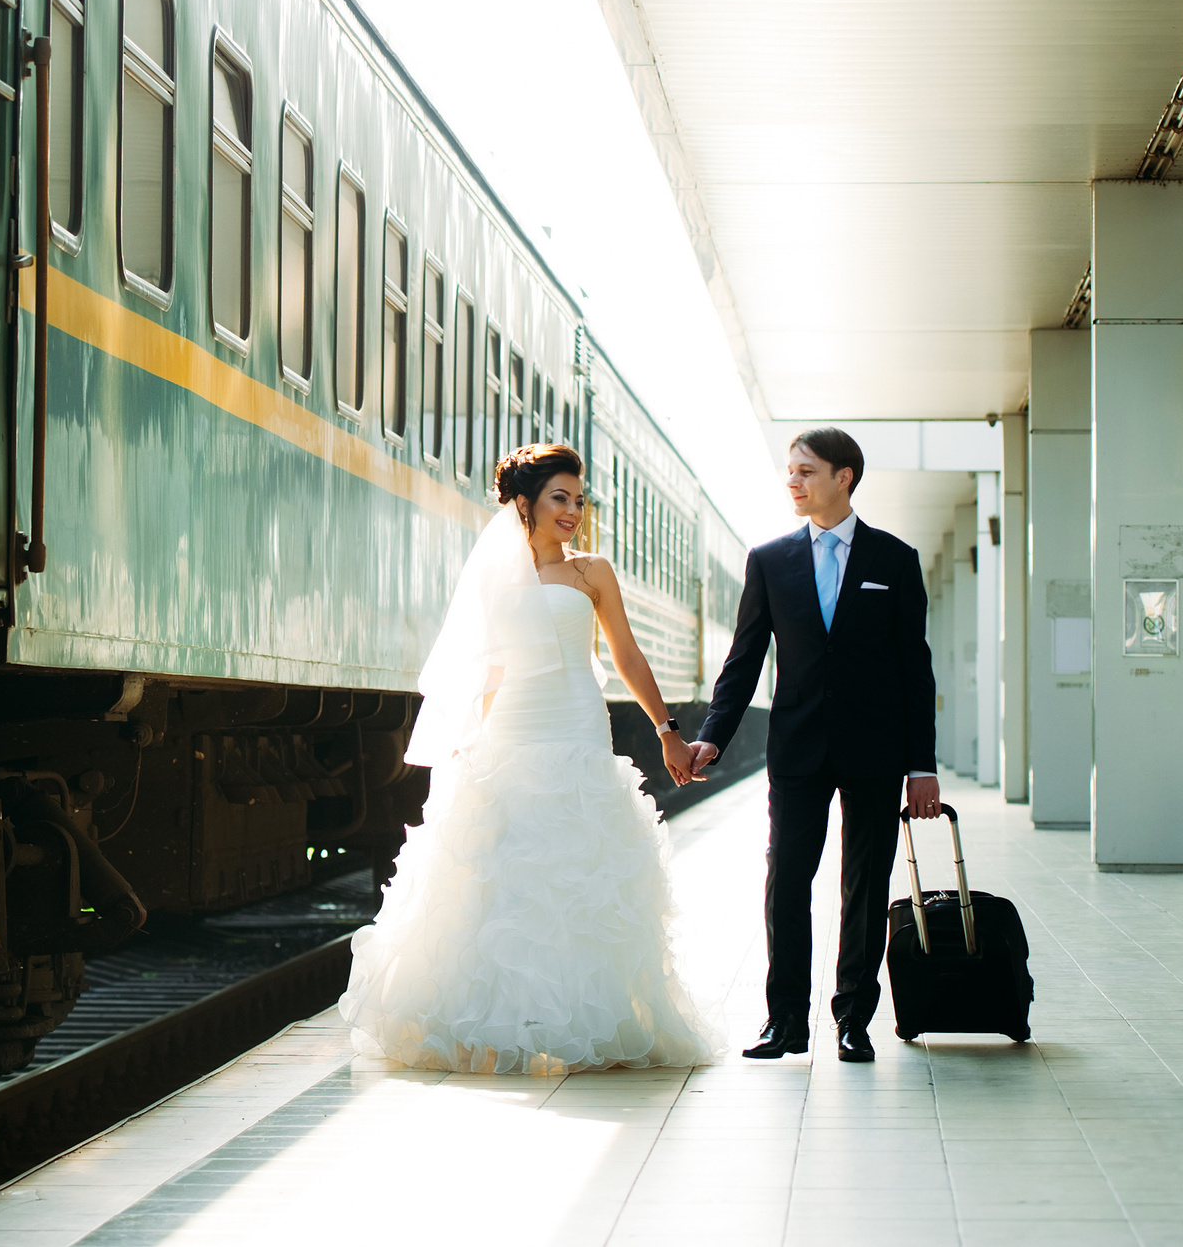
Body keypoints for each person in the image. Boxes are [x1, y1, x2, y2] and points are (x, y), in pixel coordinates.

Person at [338, 443, 714, 1073]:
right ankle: (493, 1025)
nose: (574, 511)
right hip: (513, 725)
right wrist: (469, 744)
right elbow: (483, 668)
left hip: (576, 722)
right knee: (503, 873)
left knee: (583, 870)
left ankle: (590, 1019)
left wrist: (667, 731)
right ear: (525, 504)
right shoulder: (495, 575)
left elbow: (625, 654)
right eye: (559, 498)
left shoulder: (592, 572)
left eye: (579, 499)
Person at [686, 427, 938, 1064]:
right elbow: (744, 661)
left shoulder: (894, 559)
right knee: (786, 882)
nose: (792, 482)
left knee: (865, 886)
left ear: (843, 477)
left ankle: (853, 1018)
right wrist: (713, 736)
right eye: (789, 472)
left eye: (805, 471)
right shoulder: (770, 560)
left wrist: (922, 767)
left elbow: (916, 669)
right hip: (796, 750)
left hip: (877, 752)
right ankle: (785, 1024)